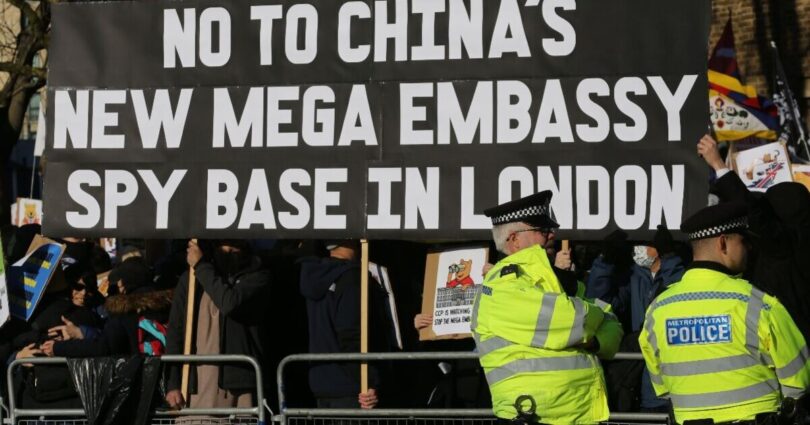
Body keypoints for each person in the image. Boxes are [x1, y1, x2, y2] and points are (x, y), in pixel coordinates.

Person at [639, 202, 810, 424]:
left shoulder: (658, 310)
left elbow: (662, 387)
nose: (749, 248)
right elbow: (799, 382)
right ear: (723, 243)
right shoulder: (759, 305)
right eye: (744, 241)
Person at [472, 190, 623, 424]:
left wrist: (593, 340)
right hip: (533, 417)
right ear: (514, 239)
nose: (551, 234)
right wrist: (590, 323)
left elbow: (612, 321)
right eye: (542, 230)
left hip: (581, 415)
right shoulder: (502, 286)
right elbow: (578, 321)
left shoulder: (557, 280)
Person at [698, 134, 810, 340]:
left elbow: (754, 213)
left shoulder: (783, 245)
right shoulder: (799, 240)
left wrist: (718, 164)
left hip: (787, 345)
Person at [164, 239, 271, 411]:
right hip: (198, 385)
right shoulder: (190, 281)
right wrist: (173, 383)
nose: (230, 250)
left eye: (236, 244)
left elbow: (230, 302)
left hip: (241, 383)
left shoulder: (257, 277)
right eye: (225, 244)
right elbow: (176, 332)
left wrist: (201, 266)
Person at [586, 227, 685, 412]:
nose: (638, 248)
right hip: (640, 386)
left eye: (645, 242)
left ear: (660, 247)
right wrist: (604, 263)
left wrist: (670, 260)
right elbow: (600, 303)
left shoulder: (680, 273)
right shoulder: (632, 277)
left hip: (675, 383)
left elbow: (681, 301)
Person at [298, 240, 392, 409]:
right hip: (353, 386)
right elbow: (352, 333)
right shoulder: (353, 277)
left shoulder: (315, 275)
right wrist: (370, 381)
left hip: (322, 381)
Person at [42, 259, 171, 358]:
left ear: (122, 284)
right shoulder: (167, 306)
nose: (84, 293)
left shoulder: (124, 310)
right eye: (78, 287)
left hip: (141, 377)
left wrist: (59, 348)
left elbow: (104, 347)